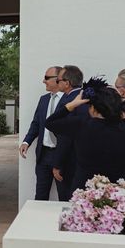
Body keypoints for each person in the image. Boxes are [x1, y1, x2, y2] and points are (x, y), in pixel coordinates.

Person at [46, 77, 125, 191]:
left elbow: (50, 122)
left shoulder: (82, 124)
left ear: (93, 109)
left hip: (85, 187)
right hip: (117, 187)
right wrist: (121, 99)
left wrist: (72, 104)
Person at [19, 66, 69, 201]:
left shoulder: (70, 100)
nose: (43, 81)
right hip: (43, 155)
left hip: (62, 156)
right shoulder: (44, 99)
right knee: (40, 196)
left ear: (58, 79)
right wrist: (26, 142)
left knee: (64, 197)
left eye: (47, 78)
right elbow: (36, 124)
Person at [53, 65, 87, 194]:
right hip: (84, 160)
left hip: (69, 161)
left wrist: (58, 164)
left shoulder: (68, 102)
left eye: (58, 80)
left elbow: (64, 136)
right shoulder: (86, 98)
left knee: (67, 200)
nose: (57, 83)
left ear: (67, 83)